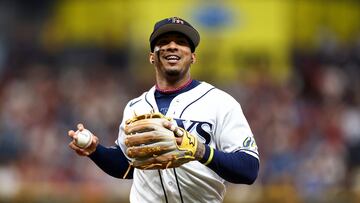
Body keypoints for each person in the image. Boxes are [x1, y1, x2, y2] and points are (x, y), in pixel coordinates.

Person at [68, 17, 259, 203]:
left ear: (193, 56)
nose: (172, 46)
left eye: (182, 42)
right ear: (152, 56)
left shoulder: (220, 102)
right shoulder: (136, 107)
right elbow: (127, 166)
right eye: (164, 41)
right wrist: (95, 151)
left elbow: (249, 169)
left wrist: (200, 150)